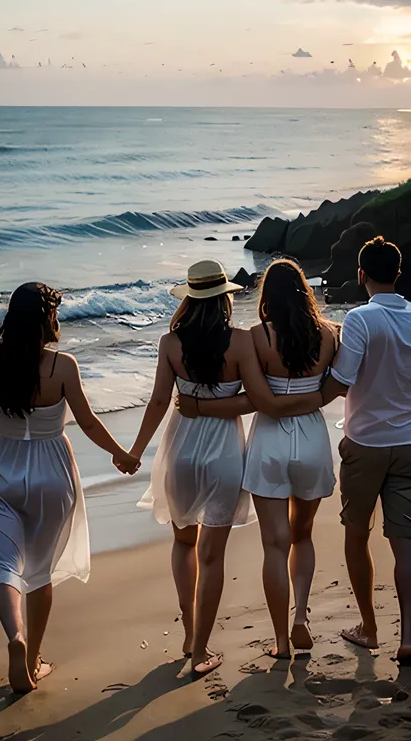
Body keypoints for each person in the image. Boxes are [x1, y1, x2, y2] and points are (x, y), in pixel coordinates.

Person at [131, 260, 322, 675]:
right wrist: (216, 407)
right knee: (211, 556)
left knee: (183, 544)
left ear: (188, 299)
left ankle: (189, 635)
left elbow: (159, 403)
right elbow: (257, 400)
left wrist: (134, 451)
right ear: (225, 300)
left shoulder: (170, 343)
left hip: (179, 449)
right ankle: (200, 651)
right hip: (223, 455)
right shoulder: (239, 343)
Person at [0, 282, 138, 694]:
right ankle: (32, 660)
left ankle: (15, 636)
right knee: (40, 571)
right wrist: (121, 455)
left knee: (4, 564)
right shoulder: (62, 366)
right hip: (52, 472)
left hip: (5, 468)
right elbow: (89, 422)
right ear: (46, 319)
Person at [178, 259, 338, 658]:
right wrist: (315, 398)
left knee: (275, 545)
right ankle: (301, 617)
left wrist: (198, 408)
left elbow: (256, 399)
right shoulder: (331, 334)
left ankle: (282, 641)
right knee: (303, 534)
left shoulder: (256, 336)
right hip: (313, 437)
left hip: (269, 440)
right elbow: (338, 386)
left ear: (266, 298)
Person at [322, 236, 411, 662]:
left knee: (357, 536)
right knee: (406, 542)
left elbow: (342, 380)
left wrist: (293, 401)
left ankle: (370, 628)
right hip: (409, 444)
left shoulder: (360, 319)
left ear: (361, 275)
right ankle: (409, 635)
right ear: (398, 272)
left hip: (364, 444)